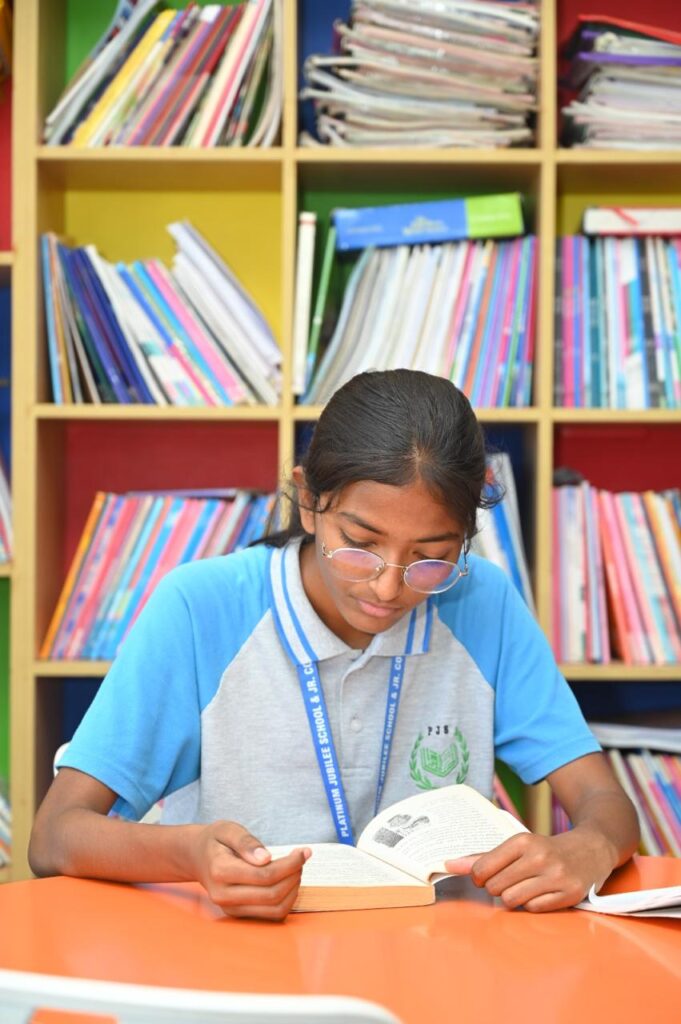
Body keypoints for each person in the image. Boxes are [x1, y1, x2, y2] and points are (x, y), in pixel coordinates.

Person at [29, 369, 639, 921]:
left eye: (431, 557)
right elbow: (55, 835)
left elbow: (603, 799)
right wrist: (190, 853)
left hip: (430, 961)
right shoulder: (200, 608)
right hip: (243, 967)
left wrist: (590, 847)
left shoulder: (483, 603)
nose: (388, 586)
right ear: (309, 501)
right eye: (361, 544)